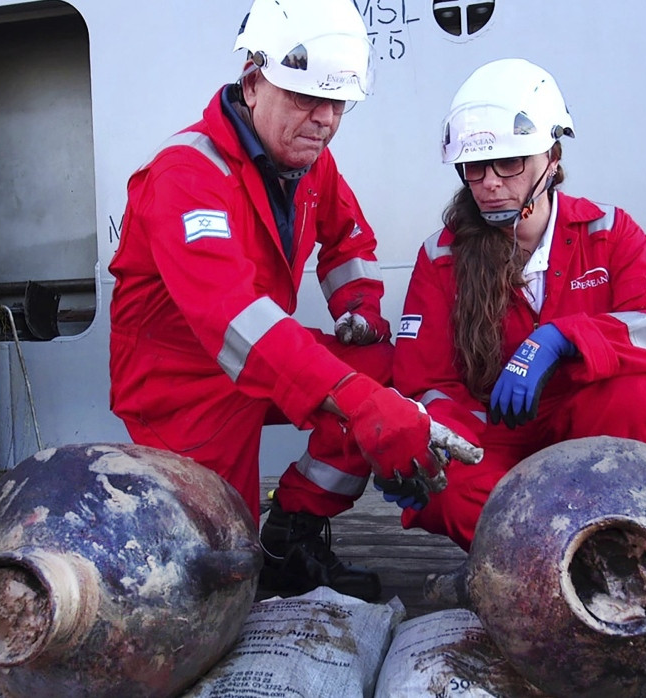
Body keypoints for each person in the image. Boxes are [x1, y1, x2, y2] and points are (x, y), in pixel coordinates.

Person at [108, 0, 471, 601]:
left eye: (338, 104)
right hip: (182, 387)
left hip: (261, 355)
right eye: (306, 98)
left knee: (384, 368)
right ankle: (249, 554)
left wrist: (359, 308)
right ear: (253, 80)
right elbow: (233, 321)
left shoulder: (307, 162)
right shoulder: (185, 177)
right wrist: (357, 403)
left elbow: (348, 236)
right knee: (219, 566)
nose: (324, 119)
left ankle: (293, 533)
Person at [390, 58, 646, 550]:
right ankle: (579, 558)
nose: (490, 181)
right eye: (475, 167)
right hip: (492, 437)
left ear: (552, 157)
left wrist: (563, 339)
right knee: (446, 489)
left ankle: (598, 538)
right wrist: (445, 443)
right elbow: (424, 382)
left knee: (635, 394)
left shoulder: (607, 232)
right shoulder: (442, 255)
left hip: (586, 427)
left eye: (510, 162)